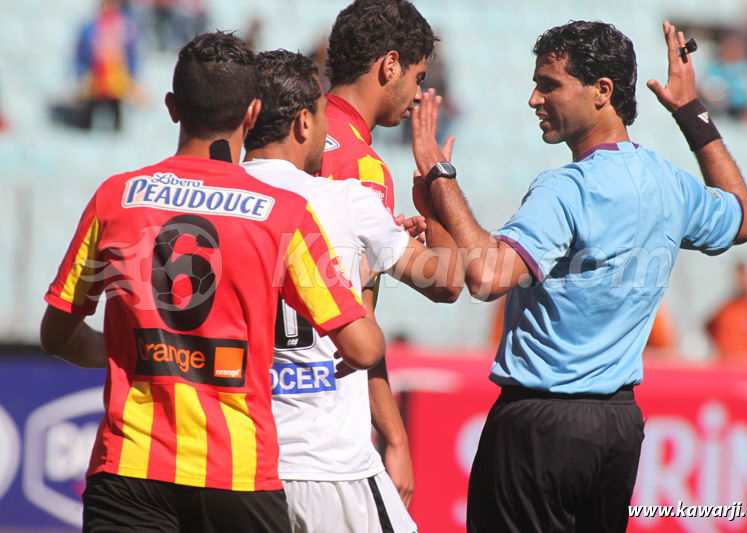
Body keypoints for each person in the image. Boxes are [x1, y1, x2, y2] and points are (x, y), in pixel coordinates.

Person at [410, 20, 747, 533]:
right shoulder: (669, 184)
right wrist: (691, 112)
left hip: (539, 426)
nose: (534, 98)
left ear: (602, 92)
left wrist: (440, 178)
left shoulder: (566, 189)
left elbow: (486, 276)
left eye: (549, 84)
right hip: (617, 427)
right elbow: (744, 218)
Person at [40, 32, 384, 533]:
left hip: (130, 469)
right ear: (252, 113)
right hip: (237, 476)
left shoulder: (115, 199)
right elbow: (362, 346)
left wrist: (125, 350)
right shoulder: (283, 215)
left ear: (172, 107)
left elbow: (57, 335)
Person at [241, 49, 461, 533]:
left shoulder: (217, 205)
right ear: (303, 123)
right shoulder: (347, 198)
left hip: (242, 462)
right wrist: (432, 195)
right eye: (322, 117)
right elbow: (447, 281)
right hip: (329, 464)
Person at [314, 0, 439, 516]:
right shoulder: (362, 165)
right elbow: (360, 312)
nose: (418, 93)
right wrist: (394, 434)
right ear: (389, 65)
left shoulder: (284, 133)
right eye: (417, 76)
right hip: (323, 420)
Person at [76, 0, 139, 131]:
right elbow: (82, 52)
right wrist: (80, 73)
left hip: (116, 78)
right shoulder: (91, 27)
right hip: (96, 77)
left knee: (115, 110)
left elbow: (132, 54)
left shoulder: (125, 27)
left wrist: (133, 77)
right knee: (90, 110)